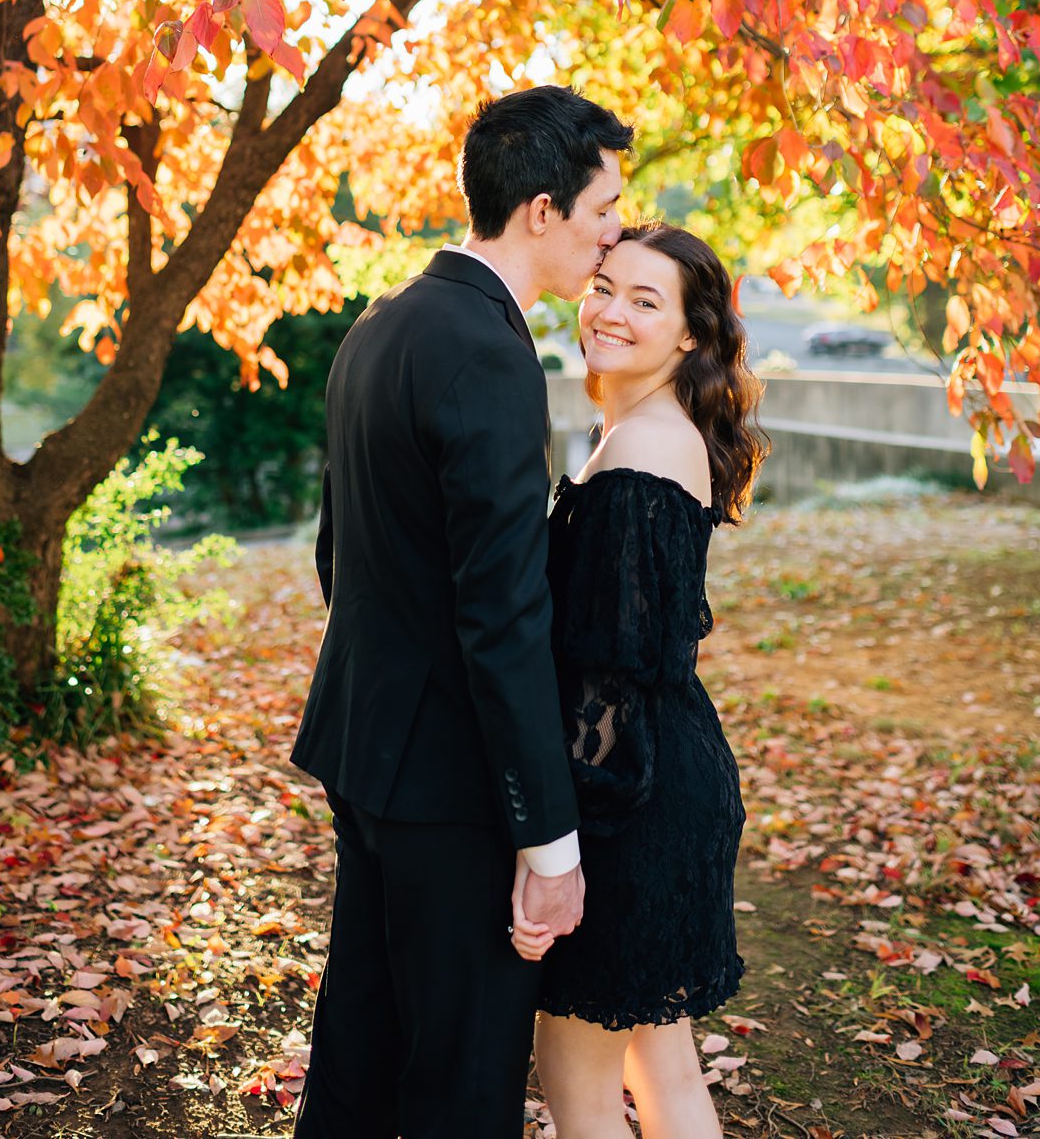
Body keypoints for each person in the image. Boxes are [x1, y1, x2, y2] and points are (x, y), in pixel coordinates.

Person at [290, 85, 635, 1139]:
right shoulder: (489, 353)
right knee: (464, 1077)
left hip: (365, 750)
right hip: (450, 786)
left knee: (360, 1049)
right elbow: (501, 615)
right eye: (605, 207)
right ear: (542, 209)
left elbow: (336, 555)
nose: (614, 232)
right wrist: (549, 840)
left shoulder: (384, 322)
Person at [512, 222, 769, 1139]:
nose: (611, 312)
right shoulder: (636, 430)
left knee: (577, 1081)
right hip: (669, 774)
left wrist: (553, 846)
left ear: (692, 335)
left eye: (645, 301)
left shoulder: (643, 452)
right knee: (661, 1061)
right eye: (605, 286)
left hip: (634, 797)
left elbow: (609, 683)